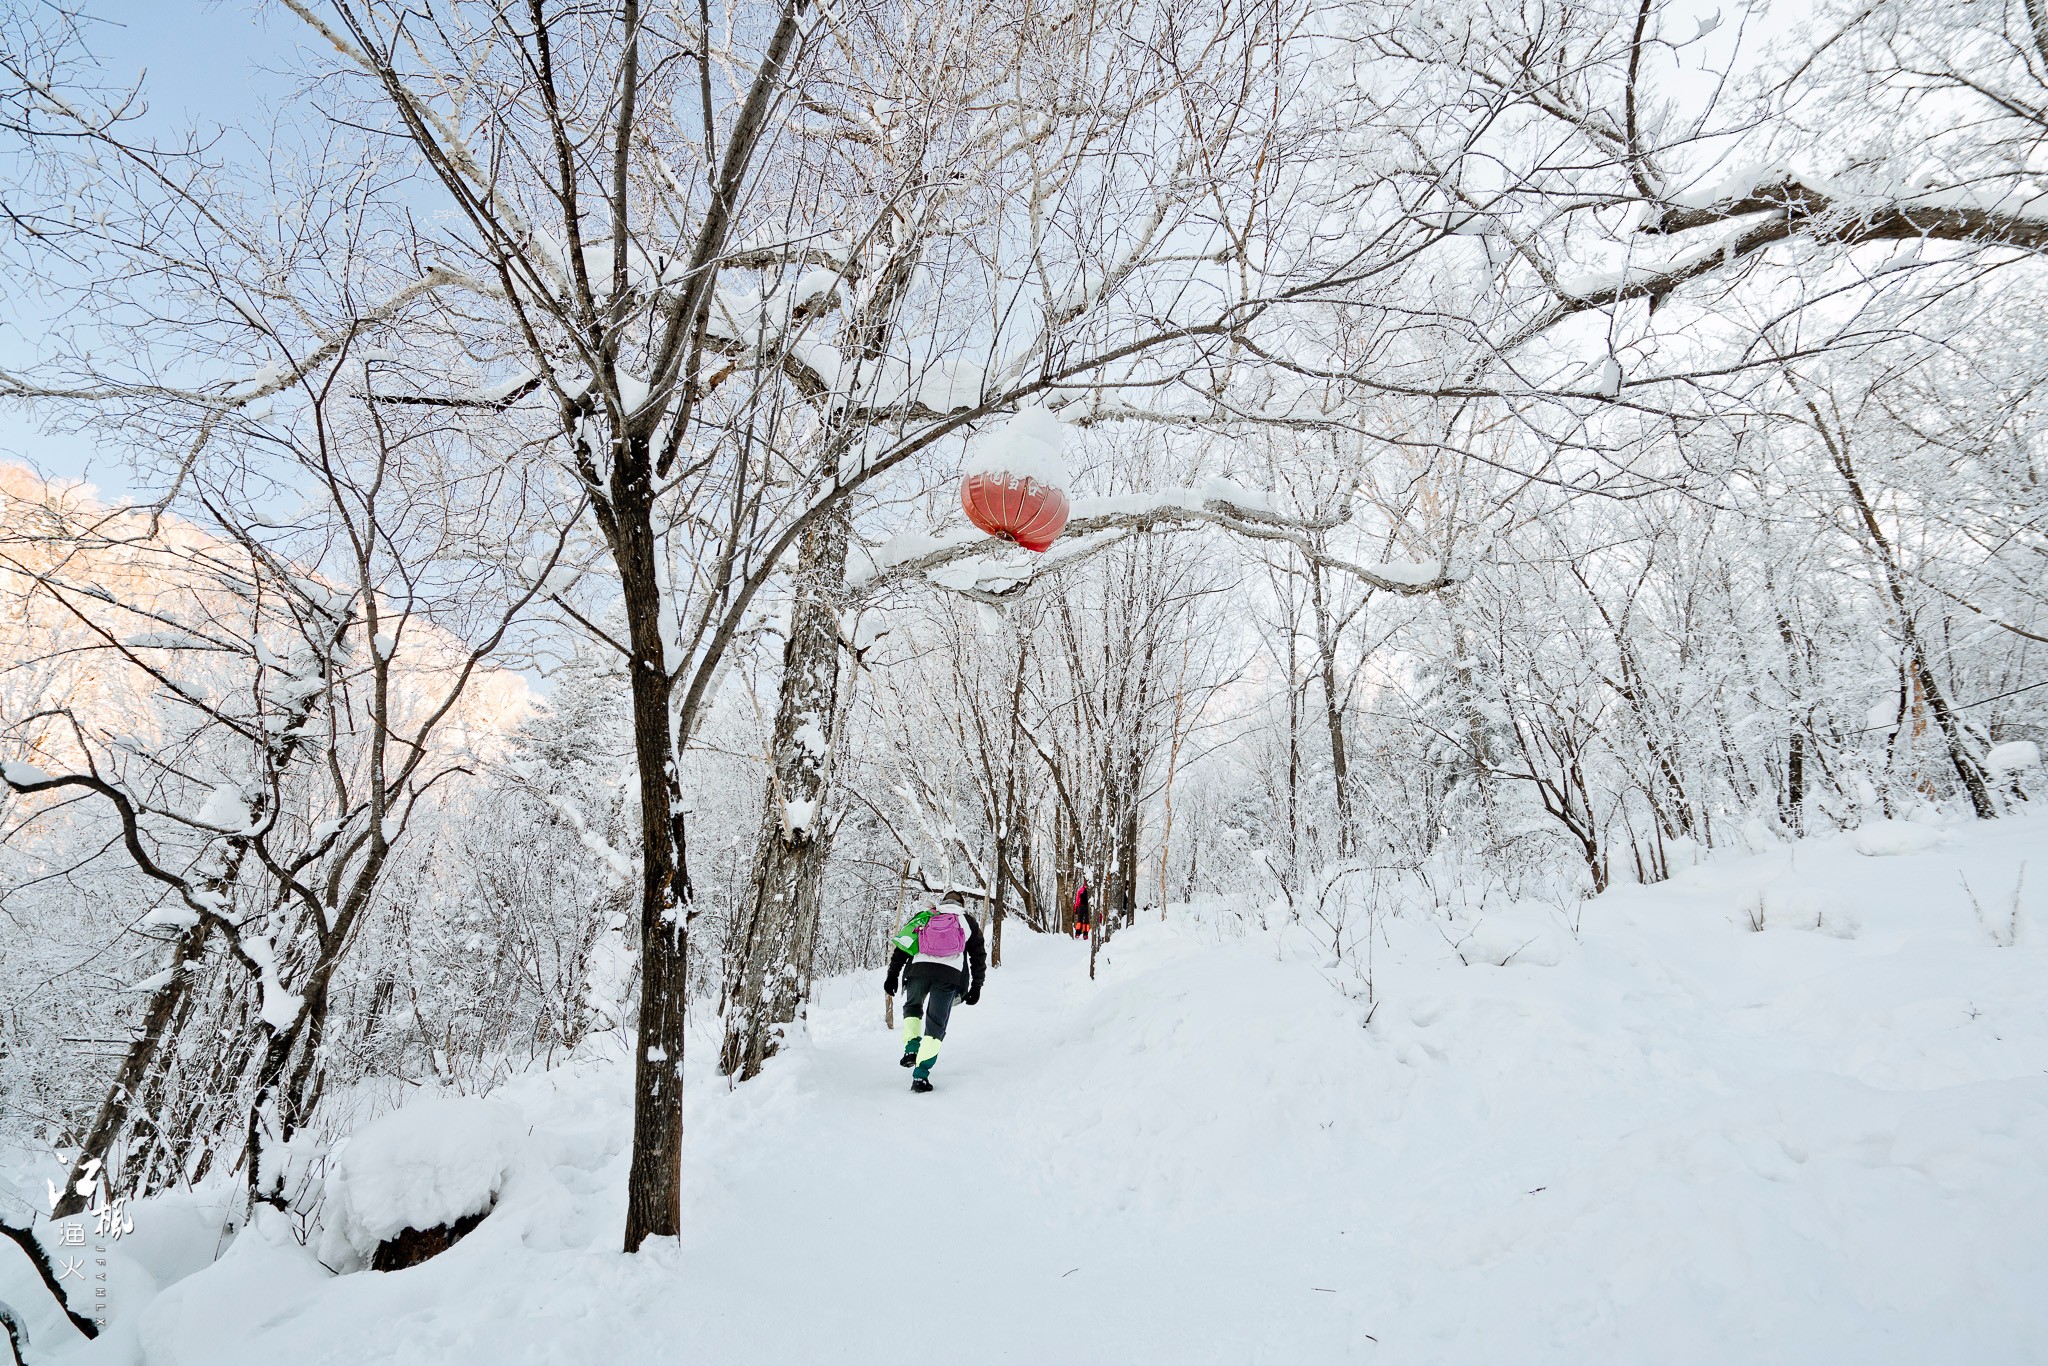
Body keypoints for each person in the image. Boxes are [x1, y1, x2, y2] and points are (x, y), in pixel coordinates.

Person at [884, 890, 986, 1093]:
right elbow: (978, 956)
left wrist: (892, 975)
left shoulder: (927, 915)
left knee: (913, 1008)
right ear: (961, 904)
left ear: (943, 902)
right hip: (949, 976)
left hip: (918, 971)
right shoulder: (967, 921)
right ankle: (920, 1075)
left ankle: (912, 1047)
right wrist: (976, 986)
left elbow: (903, 946)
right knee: (936, 1024)